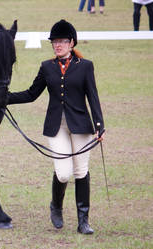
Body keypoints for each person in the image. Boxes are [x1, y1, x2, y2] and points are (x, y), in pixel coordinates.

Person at [7, 19, 105, 234]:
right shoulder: (46, 67)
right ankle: (56, 206)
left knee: (81, 171)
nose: (57, 45)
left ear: (71, 43)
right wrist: (4, 98)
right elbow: (31, 94)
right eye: (54, 42)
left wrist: (99, 125)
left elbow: (93, 97)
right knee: (63, 173)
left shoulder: (86, 66)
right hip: (56, 126)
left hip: (81, 126)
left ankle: (83, 221)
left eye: (61, 41)